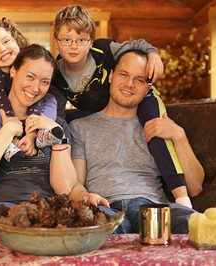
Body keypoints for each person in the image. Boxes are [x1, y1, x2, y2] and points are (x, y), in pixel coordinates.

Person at [50, 5, 192, 208]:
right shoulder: (56, 75)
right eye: (66, 40)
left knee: (154, 129)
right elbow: (58, 113)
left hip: (143, 99)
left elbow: (138, 45)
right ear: (56, 42)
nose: (74, 46)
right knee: (67, 124)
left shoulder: (104, 49)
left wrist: (153, 54)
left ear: (90, 42)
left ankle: (181, 197)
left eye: (81, 40)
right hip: (95, 109)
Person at [68, 49, 205, 234]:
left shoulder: (158, 124)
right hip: (105, 206)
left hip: (152, 206)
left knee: (198, 224)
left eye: (139, 80)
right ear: (111, 76)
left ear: (148, 88)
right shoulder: (80, 127)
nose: (129, 84)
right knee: (94, 233)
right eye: (124, 74)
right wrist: (83, 196)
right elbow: (76, 182)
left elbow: (195, 187)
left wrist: (179, 136)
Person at [0, 44, 77, 235]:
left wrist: (59, 138)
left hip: (43, 212)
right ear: (13, 70)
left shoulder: (56, 126)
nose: (35, 88)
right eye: (30, 77)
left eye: (45, 82)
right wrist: (7, 130)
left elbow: (64, 188)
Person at [0, 18, 60, 162]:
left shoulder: (31, 66)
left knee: (51, 98)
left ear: (17, 41)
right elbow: (1, 102)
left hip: (28, 121)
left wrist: (32, 133)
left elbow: (38, 97)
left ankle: (43, 132)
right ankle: (8, 145)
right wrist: (9, 119)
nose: (2, 49)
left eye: (6, 41)